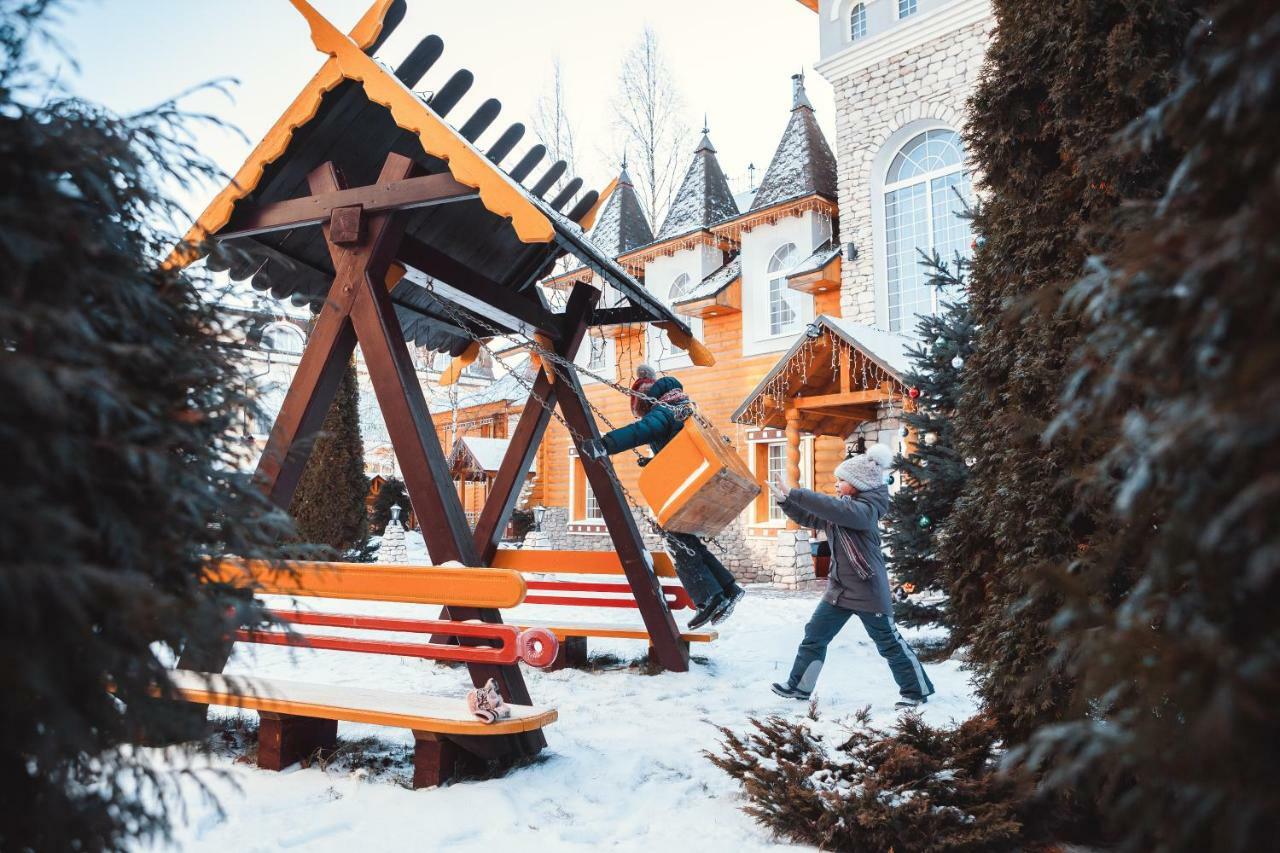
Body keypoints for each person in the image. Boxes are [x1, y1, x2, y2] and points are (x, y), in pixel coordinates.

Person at [768, 443, 934, 709]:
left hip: (868, 592)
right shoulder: (845, 511)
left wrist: (797, 493)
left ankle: (916, 691)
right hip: (840, 591)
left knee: (888, 642)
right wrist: (786, 502)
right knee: (815, 635)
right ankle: (799, 687)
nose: (837, 485)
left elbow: (834, 510)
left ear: (858, 484)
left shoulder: (864, 512)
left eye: (842, 481)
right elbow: (815, 518)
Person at [580, 365, 745, 628]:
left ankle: (709, 597)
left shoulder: (662, 411)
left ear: (645, 399)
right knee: (687, 538)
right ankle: (728, 588)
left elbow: (641, 431)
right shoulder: (684, 406)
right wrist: (653, 461)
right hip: (697, 479)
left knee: (675, 539)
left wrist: (605, 444)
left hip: (686, 485)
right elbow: (678, 446)